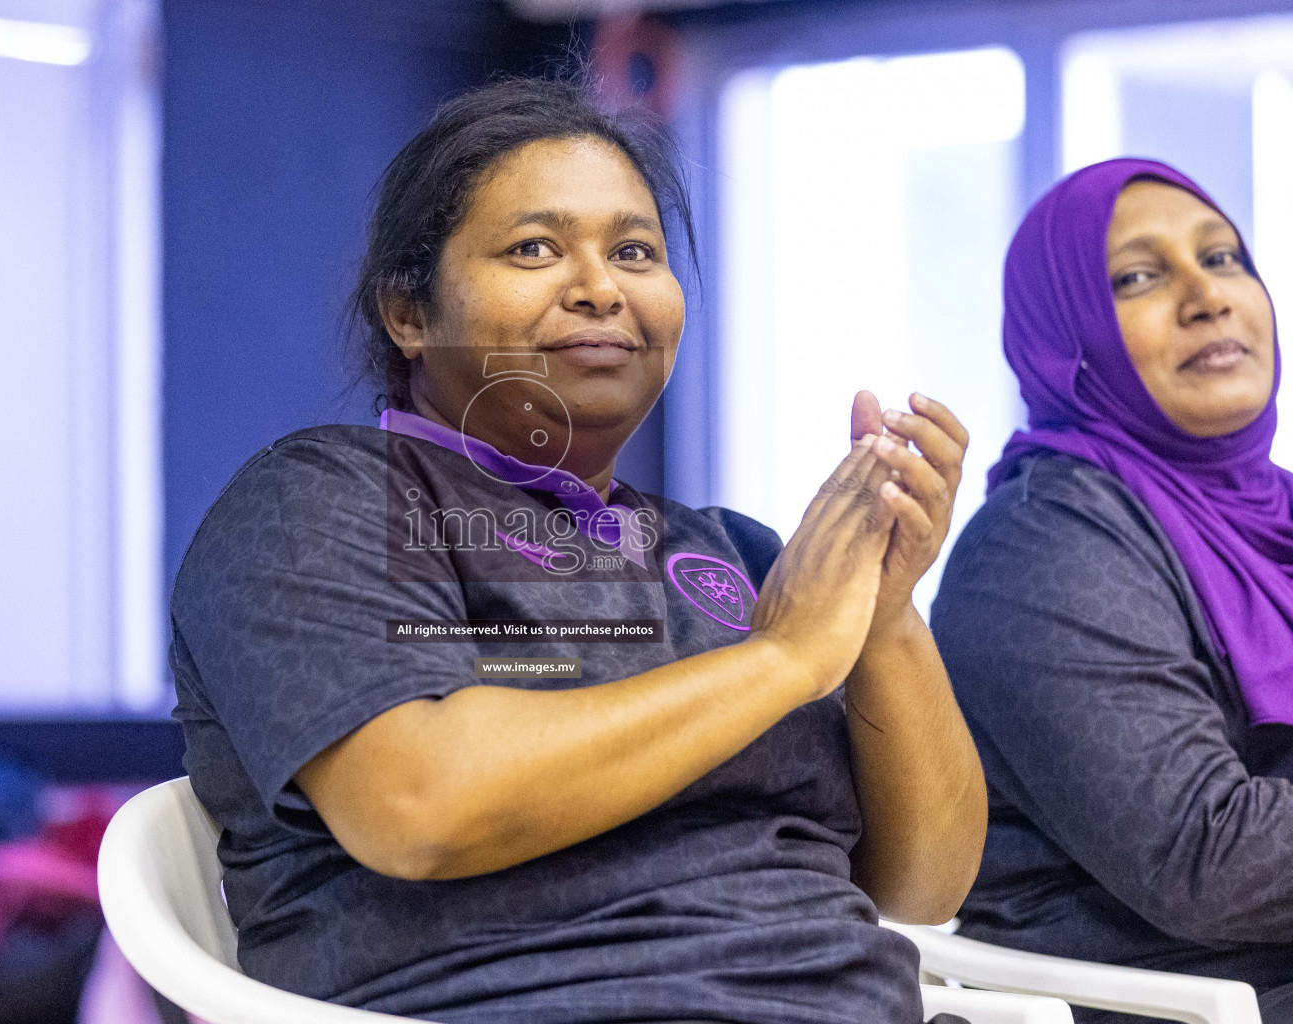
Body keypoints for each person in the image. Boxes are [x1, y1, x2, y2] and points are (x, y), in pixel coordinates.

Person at [170, 76, 986, 1024]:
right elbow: (422, 804)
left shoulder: (735, 552)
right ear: (409, 311)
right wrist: (784, 659)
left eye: (635, 251)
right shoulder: (321, 498)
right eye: (535, 249)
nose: (601, 288)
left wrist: (880, 614)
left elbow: (922, 885)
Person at [930, 158, 1293, 1022]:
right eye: (1138, 277)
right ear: (1070, 336)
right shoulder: (1043, 545)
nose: (1208, 296)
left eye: (1224, 258)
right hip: (1177, 996)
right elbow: (1209, 860)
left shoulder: (1271, 512)